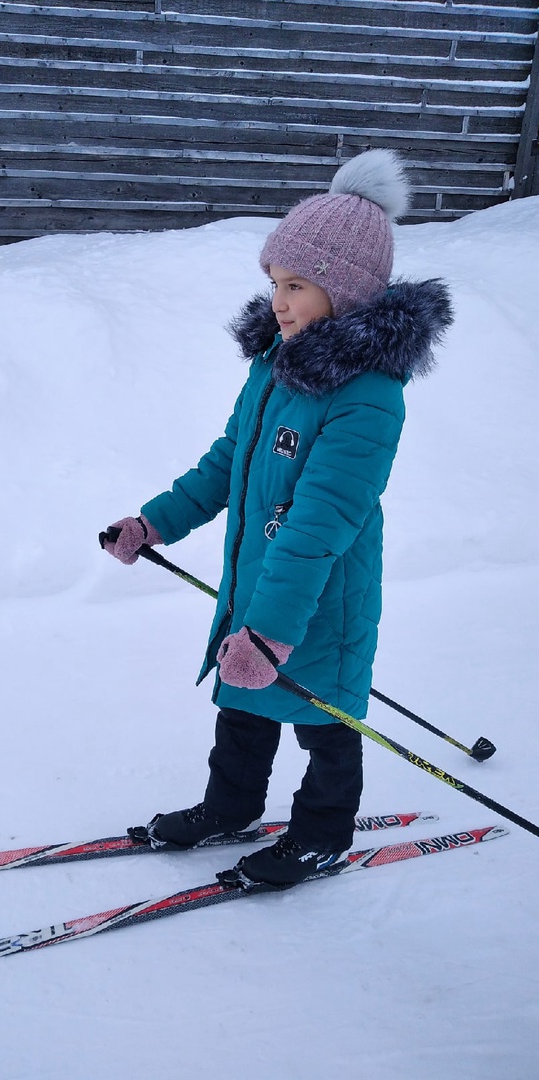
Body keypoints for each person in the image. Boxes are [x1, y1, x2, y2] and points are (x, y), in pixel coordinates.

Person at [102, 149, 453, 886]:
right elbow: (226, 463)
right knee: (242, 705)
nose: (280, 302)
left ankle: (322, 834)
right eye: (274, 284)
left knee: (325, 722)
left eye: (296, 285)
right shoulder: (273, 365)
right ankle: (228, 808)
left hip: (319, 598)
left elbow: (321, 523)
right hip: (257, 584)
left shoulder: (369, 396)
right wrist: (153, 524)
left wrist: (271, 631)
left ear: (347, 291)